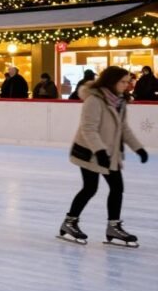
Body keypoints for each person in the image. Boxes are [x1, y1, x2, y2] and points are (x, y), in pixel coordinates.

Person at [59, 66, 148, 247]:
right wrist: (99, 151)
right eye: (123, 81)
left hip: (111, 153)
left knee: (117, 188)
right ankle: (69, 222)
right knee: (90, 188)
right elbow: (88, 128)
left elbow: (123, 128)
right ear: (111, 81)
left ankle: (113, 227)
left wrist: (138, 148)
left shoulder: (120, 101)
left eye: (128, 81)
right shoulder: (94, 100)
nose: (127, 85)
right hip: (89, 152)